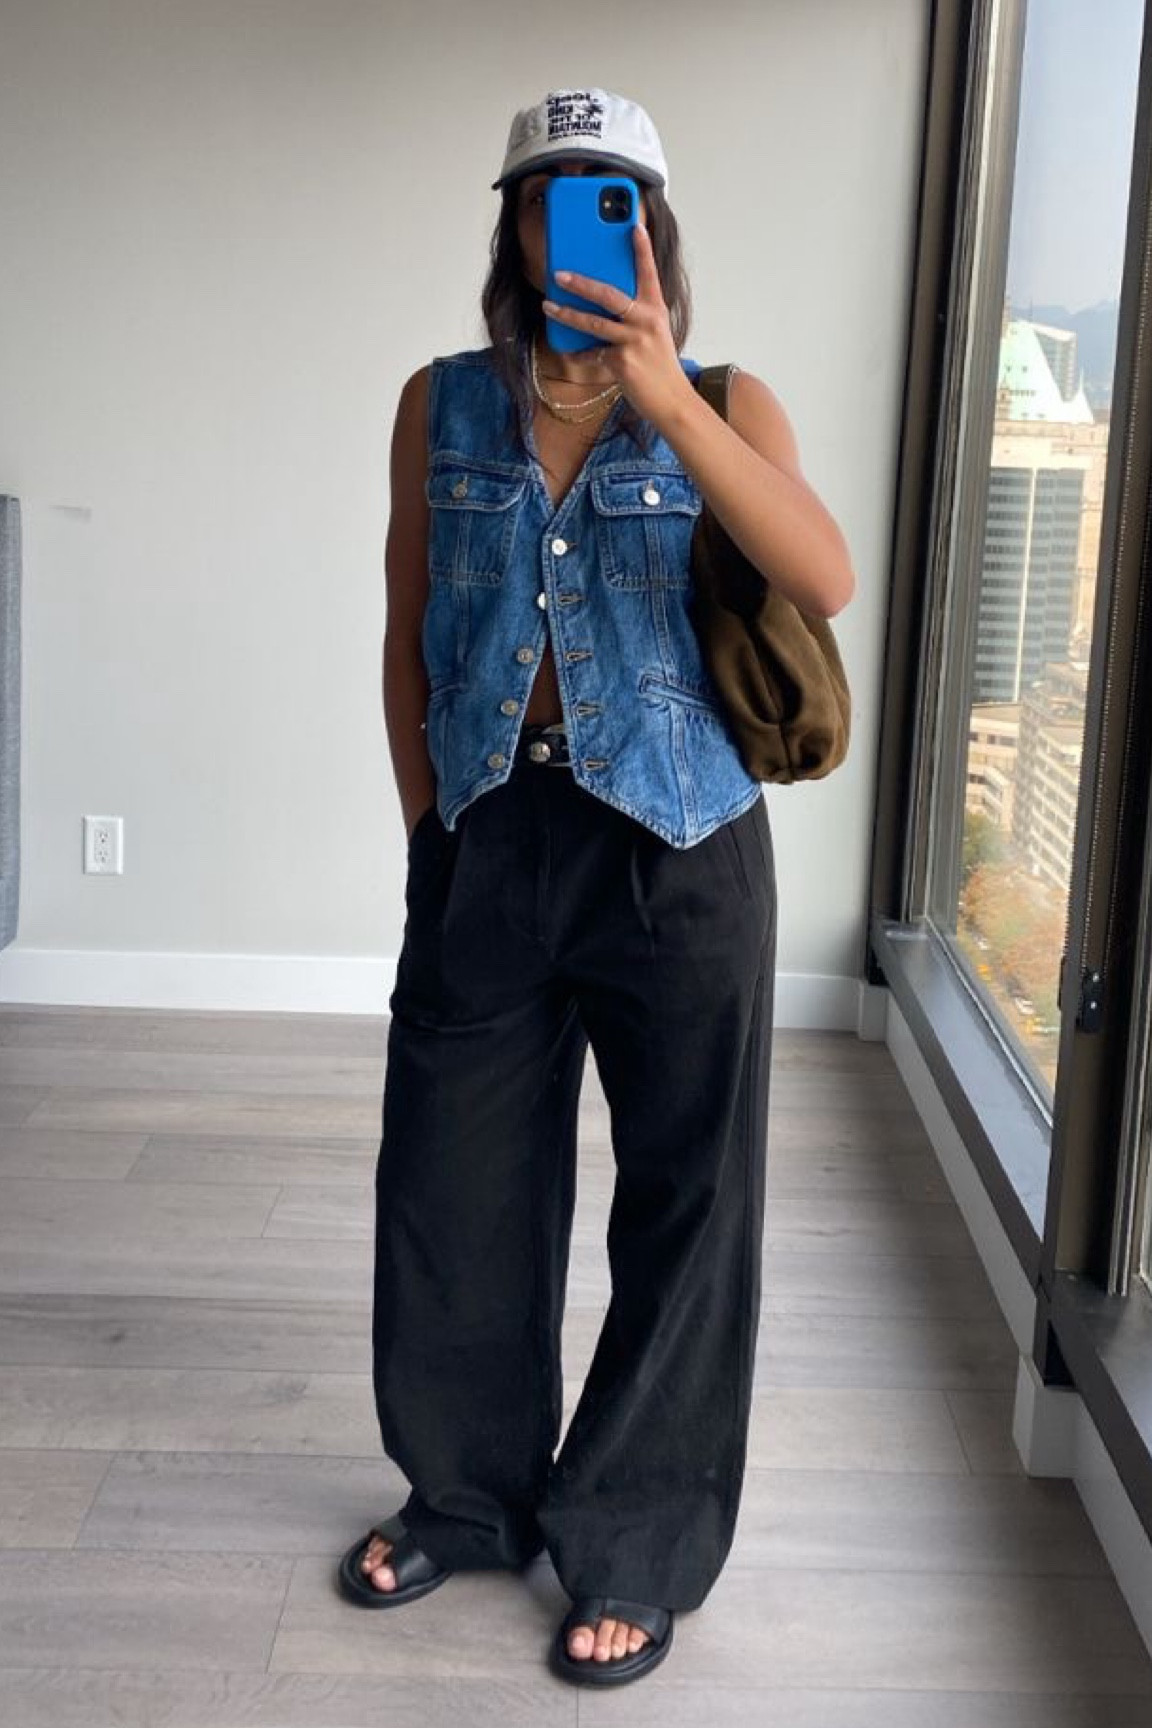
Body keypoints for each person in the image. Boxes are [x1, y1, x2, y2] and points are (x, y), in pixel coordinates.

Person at [336, 86, 855, 1689]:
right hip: (494, 836)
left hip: (681, 850)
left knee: (690, 1204)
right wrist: (435, 824)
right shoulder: (442, 401)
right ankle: (469, 1496)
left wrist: (663, 398)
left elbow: (824, 575)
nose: (573, 223)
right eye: (547, 197)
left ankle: (631, 1540)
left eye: (608, 197)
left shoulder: (721, 395)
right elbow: (409, 619)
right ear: (508, 227)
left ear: (653, 226)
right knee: (452, 1188)